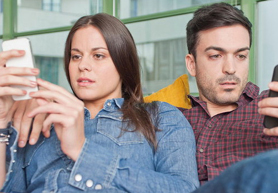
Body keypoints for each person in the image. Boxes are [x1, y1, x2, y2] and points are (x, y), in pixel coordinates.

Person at [0, 13, 199, 192]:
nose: (83, 66)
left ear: (123, 62)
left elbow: (184, 189)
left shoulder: (160, 116)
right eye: (75, 56)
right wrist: (1, 122)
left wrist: (82, 151)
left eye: (98, 55)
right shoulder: (41, 119)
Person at [182, 1, 278, 185]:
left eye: (241, 56)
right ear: (192, 64)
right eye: (215, 55)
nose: (231, 69)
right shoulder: (171, 118)